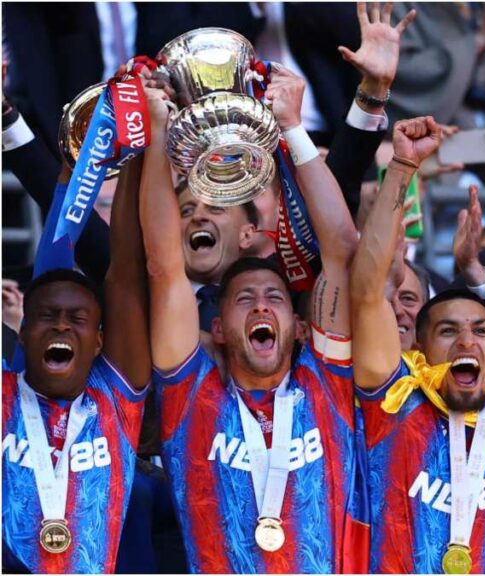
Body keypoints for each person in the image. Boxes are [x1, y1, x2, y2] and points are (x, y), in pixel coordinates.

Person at [138, 58, 364, 571]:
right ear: (217, 328)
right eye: (244, 300)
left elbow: (341, 251)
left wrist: (292, 129)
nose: (262, 304)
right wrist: (156, 134)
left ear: (301, 327)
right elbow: (163, 265)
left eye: (275, 299)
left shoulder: (326, 381)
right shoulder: (190, 391)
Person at [350, 116, 485, 573]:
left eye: (481, 332)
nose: (467, 342)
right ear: (418, 348)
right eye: (447, 331)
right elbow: (367, 294)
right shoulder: (392, 398)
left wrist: (475, 273)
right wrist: (401, 166)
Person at [2, 155, 150, 572]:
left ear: (101, 340)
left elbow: (125, 271)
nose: (62, 327)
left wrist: (135, 154)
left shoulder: (117, 398)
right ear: (24, 332)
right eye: (47, 317)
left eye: (77, 320)